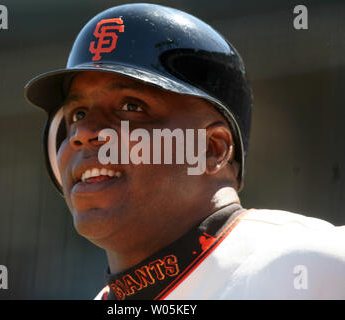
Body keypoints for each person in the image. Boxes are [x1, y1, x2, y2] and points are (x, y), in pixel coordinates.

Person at [24, 3, 345, 300]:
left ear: (211, 148)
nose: (83, 133)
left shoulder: (309, 265)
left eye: (130, 106)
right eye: (77, 115)